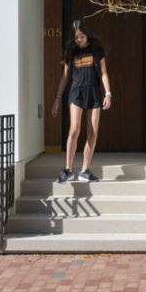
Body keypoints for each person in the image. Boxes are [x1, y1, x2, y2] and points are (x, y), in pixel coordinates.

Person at [50, 21, 113, 184]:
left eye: (81, 37)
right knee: (74, 130)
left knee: (92, 133)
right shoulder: (71, 51)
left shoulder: (96, 50)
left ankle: (84, 171)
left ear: (87, 35)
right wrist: (57, 99)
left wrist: (108, 93)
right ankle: (67, 170)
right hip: (76, 92)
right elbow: (65, 77)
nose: (78, 40)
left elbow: (104, 73)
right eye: (76, 37)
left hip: (94, 93)